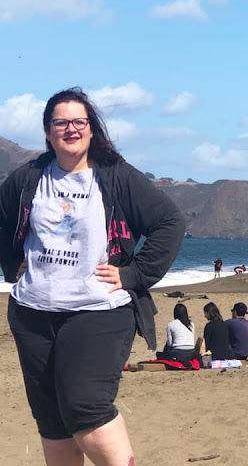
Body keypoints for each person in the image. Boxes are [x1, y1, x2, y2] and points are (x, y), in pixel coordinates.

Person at [0, 87, 185, 465]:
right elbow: (3, 223)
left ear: (91, 128)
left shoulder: (115, 176)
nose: (70, 129)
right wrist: (11, 263)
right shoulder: (28, 178)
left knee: (85, 407)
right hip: (32, 312)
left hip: (98, 310)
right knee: (52, 419)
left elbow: (169, 223)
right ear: (48, 132)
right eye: (61, 122)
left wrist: (135, 274)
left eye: (79, 122)